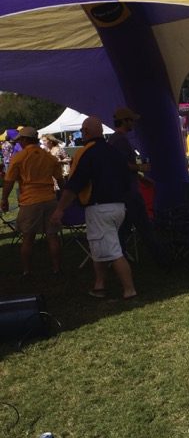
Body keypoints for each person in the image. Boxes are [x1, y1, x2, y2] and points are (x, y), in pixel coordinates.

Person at [50, 116, 136, 300]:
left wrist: (60, 209)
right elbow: (128, 178)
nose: (82, 133)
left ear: (87, 132)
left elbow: (75, 184)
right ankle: (99, 285)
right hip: (119, 207)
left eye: (82, 130)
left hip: (100, 209)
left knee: (114, 251)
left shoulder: (87, 154)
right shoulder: (114, 152)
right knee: (99, 247)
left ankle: (129, 289)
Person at [1, 126, 63, 275]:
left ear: (25, 139)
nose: (19, 143)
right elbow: (61, 181)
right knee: (52, 236)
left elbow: (9, 181)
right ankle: (56, 268)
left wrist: (4, 199)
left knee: (28, 238)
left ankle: (27, 270)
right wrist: (60, 199)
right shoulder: (49, 157)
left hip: (30, 201)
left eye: (20, 140)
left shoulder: (19, 157)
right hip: (49, 199)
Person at [109, 107, 166, 264]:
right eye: (131, 120)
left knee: (123, 229)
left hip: (123, 191)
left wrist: (141, 177)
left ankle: (119, 258)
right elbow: (122, 165)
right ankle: (161, 259)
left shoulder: (115, 139)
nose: (133, 123)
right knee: (144, 227)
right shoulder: (120, 140)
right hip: (129, 192)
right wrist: (141, 168)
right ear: (125, 121)